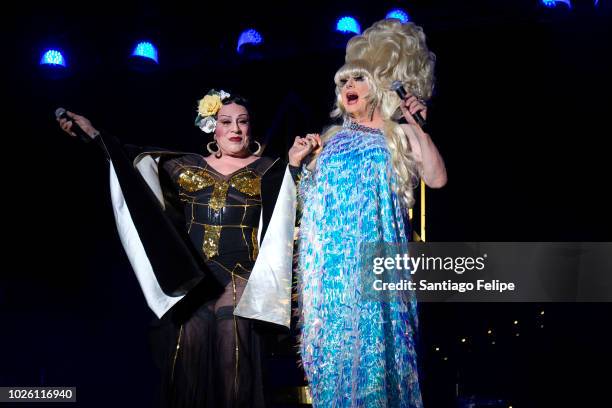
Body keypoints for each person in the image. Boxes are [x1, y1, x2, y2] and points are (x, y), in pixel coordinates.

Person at [57, 89, 314, 408]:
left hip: (243, 274)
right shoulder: (184, 165)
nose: (235, 129)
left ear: (251, 128)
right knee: (186, 346)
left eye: (243, 122)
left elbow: (292, 208)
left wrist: (296, 163)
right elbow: (130, 163)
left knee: (232, 334)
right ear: (213, 129)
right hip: (199, 276)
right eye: (226, 121)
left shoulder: (270, 168)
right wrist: (94, 135)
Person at [294, 19, 447, 407]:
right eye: (343, 82)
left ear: (378, 86)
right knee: (335, 360)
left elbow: (437, 178)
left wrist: (414, 123)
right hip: (332, 274)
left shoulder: (398, 134)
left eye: (357, 79)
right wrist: (298, 166)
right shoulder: (327, 141)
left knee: (380, 360)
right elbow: (305, 200)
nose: (348, 88)